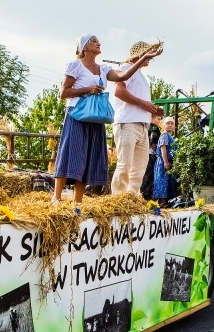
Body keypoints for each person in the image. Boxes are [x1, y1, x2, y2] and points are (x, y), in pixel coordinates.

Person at [52, 34, 163, 207]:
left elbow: (122, 76)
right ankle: (56, 198)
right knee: (71, 154)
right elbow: (64, 93)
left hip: (96, 117)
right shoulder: (76, 65)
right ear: (84, 47)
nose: (98, 43)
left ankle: (77, 202)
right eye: (94, 41)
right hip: (77, 114)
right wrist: (87, 89)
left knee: (88, 157)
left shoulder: (103, 69)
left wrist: (144, 58)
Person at [110, 41, 164, 195]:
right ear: (141, 53)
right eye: (149, 55)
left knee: (139, 168)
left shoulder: (140, 75)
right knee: (125, 165)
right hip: (127, 123)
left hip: (142, 125)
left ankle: (131, 199)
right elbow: (119, 92)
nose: (150, 59)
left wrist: (152, 109)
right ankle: (117, 199)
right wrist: (144, 105)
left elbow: (140, 102)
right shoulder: (126, 68)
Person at [152, 116, 178, 206]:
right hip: (164, 161)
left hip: (170, 161)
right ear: (163, 125)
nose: (170, 125)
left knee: (169, 181)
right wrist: (166, 162)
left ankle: (168, 202)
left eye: (172, 123)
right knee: (162, 181)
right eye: (168, 123)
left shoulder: (171, 136)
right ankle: (163, 202)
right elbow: (163, 148)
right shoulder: (164, 135)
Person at [141, 115, 162, 200]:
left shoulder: (146, 126)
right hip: (151, 154)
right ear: (152, 118)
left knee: (145, 175)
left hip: (145, 153)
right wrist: (157, 153)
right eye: (158, 119)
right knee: (149, 176)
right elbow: (153, 141)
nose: (159, 121)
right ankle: (145, 194)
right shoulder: (154, 128)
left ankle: (143, 194)